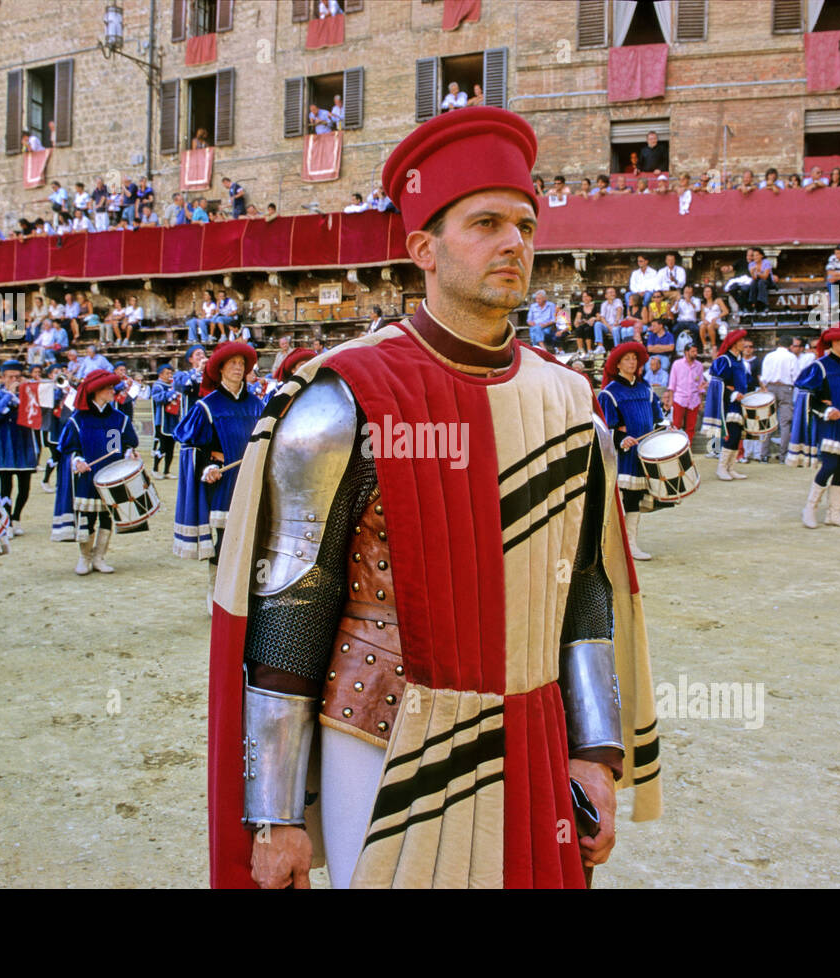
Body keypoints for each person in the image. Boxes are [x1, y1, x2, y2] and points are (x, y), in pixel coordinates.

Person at [207, 106, 660, 890]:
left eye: (525, 224)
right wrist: (276, 814)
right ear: (424, 248)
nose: (514, 242)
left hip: (534, 728)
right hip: (380, 730)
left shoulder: (568, 403)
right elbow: (292, 602)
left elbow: (582, 587)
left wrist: (592, 751)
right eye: (486, 223)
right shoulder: (344, 400)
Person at [172, 343, 264, 612]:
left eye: (242, 363)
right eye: (232, 363)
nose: (238, 367)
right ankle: (215, 592)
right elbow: (192, 447)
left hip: (250, 482)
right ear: (220, 369)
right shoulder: (206, 406)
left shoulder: (257, 404)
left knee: (249, 541)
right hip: (223, 484)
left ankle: (243, 593)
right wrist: (206, 468)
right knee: (224, 541)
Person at [57, 369, 140, 575]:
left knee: (106, 517)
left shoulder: (119, 418)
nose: (113, 391)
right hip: (87, 478)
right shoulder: (78, 420)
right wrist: (77, 461)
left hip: (112, 477)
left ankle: (99, 557)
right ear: (96, 391)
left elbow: (129, 442)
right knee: (87, 517)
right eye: (109, 388)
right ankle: (84, 557)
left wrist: (130, 453)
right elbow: (70, 448)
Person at [788, 326, 840, 528]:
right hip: (827, 426)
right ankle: (810, 508)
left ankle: (834, 513)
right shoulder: (820, 367)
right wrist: (826, 410)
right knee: (830, 465)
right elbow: (808, 397)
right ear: (834, 343)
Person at [599, 342, 666, 560]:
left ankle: (630, 544)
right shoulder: (609, 393)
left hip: (645, 452)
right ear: (617, 364)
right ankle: (621, 545)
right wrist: (621, 437)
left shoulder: (645, 389)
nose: (631, 362)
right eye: (627, 359)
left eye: (634, 359)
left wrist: (666, 427)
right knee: (624, 498)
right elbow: (605, 427)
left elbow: (657, 418)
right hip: (624, 455)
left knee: (635, 497)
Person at [0, 360, 41, 538]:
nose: (14, 380)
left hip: (24, 442)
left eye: (18, 376)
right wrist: (9, 395)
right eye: (10, 377)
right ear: (3, 377)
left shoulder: (29, 393)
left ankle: (16, 518)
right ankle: (6, 521)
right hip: (4, 443)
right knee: (6, 486)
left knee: (25, 487)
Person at [702, 329, 751, 481]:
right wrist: (733, 394)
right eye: (742, 341)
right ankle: (721, 468)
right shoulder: (724, 360)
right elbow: (717, 384)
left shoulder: (739, 361)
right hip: (728, 405)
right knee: (731, 436)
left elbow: (744, 381)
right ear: (734, 343)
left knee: (737, 437)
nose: (744, 343)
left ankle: (730, 467)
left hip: (739, 404)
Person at [759, 335, 799, 462]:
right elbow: (796, 376)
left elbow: (764, 376)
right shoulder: (791, 357)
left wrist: (765, 386)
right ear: (790, 346)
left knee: (767, 421)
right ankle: (783, 455)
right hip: (785, 388)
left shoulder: (769, 356)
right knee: (785, 423)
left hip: (770, 387)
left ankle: (764, 454)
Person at [666, 341, 706, 442]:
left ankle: (688, 449)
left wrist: (700, 401)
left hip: (694, 399)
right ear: (686, 352)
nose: (695, 354)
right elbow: (672, 384)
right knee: (676, 425)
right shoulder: (677, 364)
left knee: (691, 427)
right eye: (692, 351)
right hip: (679, 398)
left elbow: (700, 384)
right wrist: (671, 400)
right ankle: (675, 448)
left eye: (696, 351)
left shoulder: (699, 365)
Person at [149, 364, 182, 479]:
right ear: (160, 374)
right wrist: (171, 393)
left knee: (171, 448)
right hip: (162, 421)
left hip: (173, 420)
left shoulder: (173, 385)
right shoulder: (157, 386)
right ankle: (155, 469)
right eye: (167, 373)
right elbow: (157, 398)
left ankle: (167, 471)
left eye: (170, 373)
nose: (170, 376)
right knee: (162, 447)